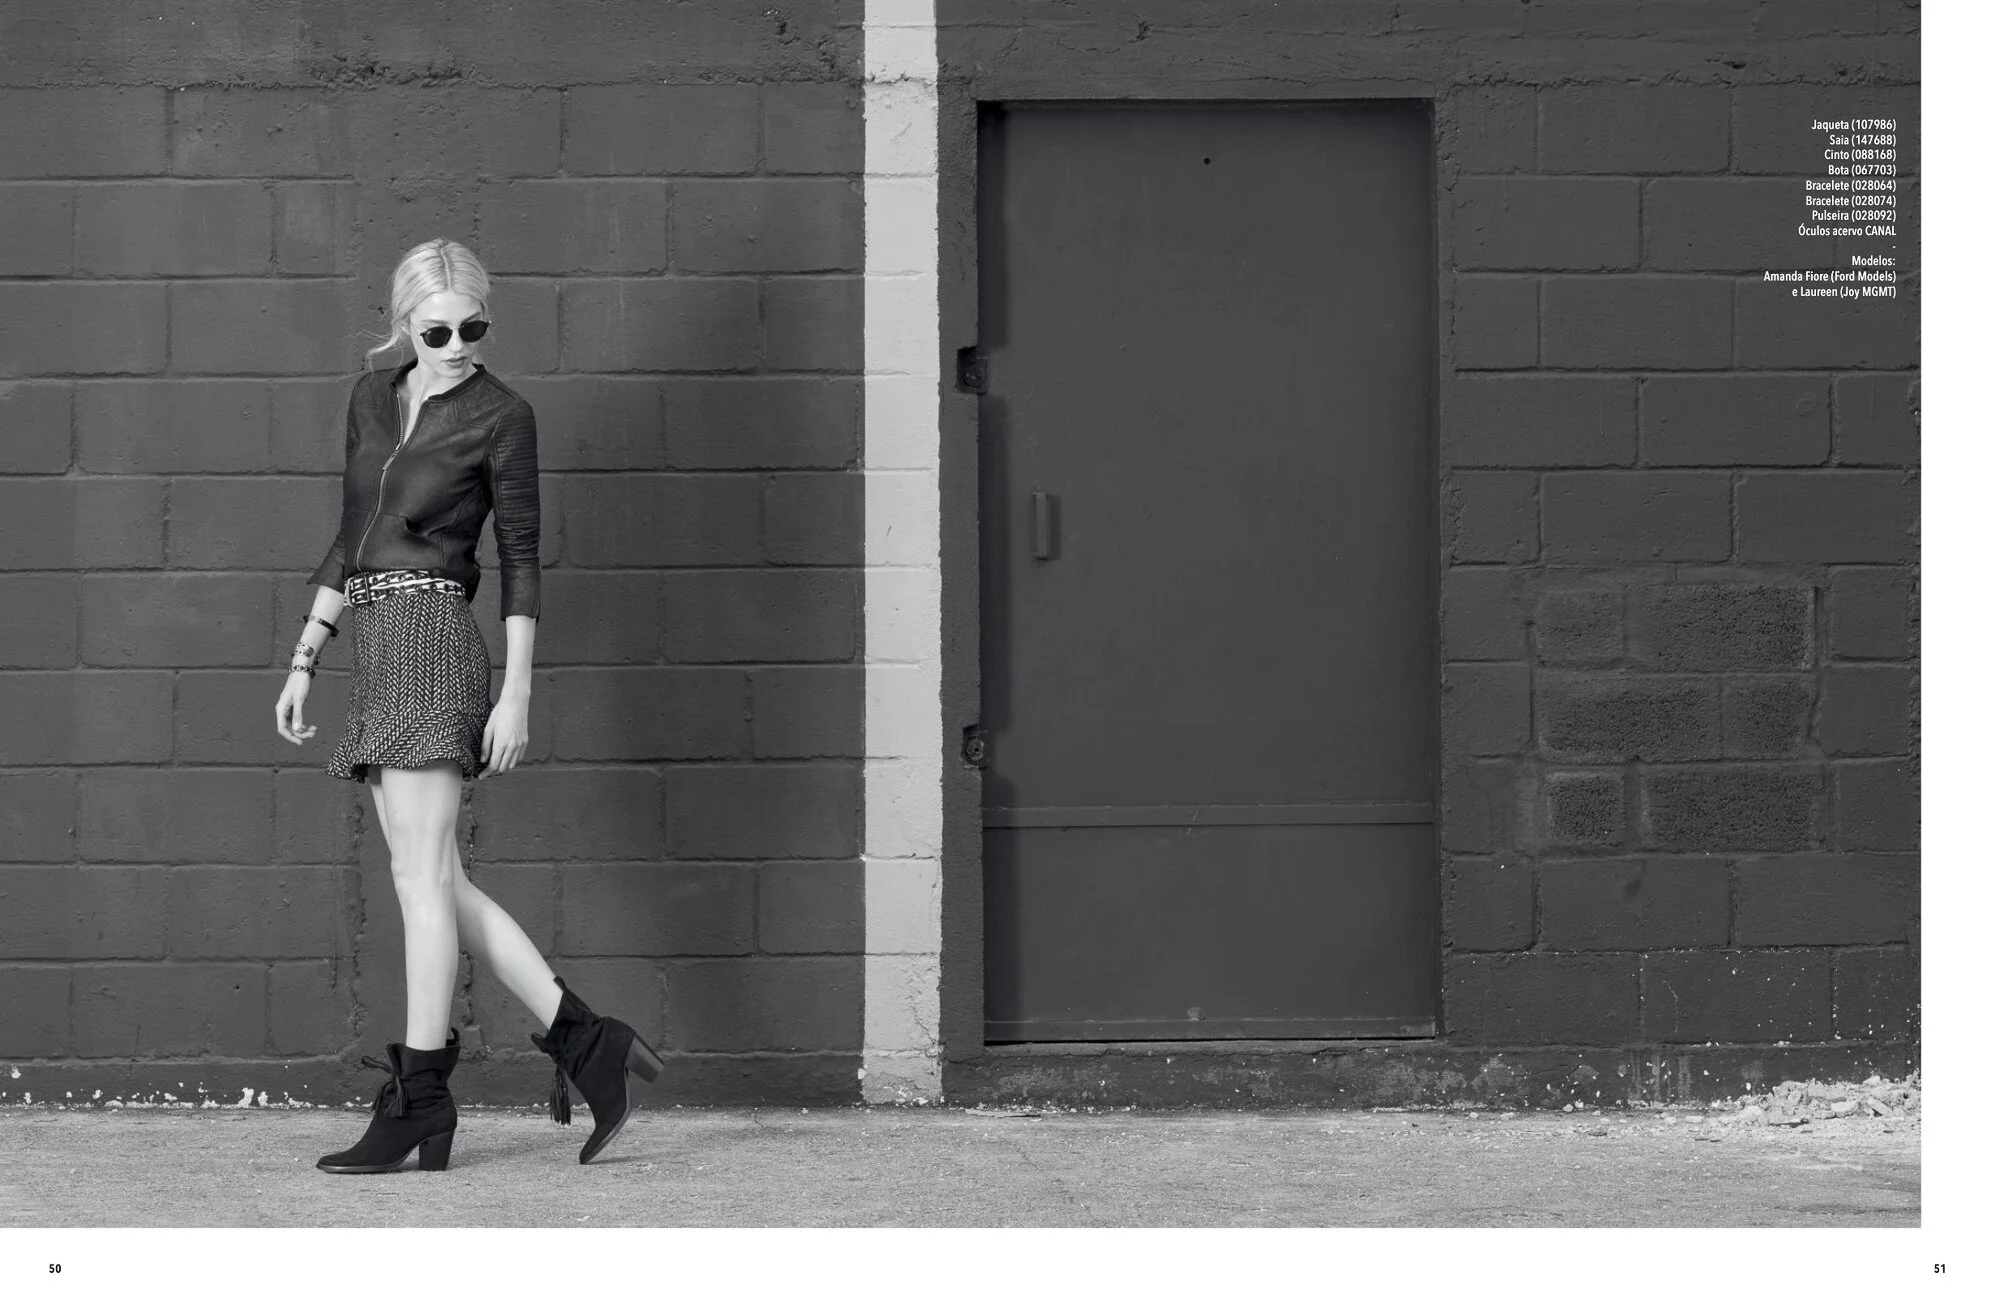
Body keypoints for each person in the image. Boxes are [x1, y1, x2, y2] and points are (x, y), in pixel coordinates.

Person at [274, 237, 661, 1174]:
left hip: (434, 640)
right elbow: (351, 535)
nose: (456, 346)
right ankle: (587, 1040)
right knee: (436, 880)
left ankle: (421, 1097)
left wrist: (516, 690)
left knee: (419, 884)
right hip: (376, 643)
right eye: (437, 330)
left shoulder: (501, 415)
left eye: (472, 328)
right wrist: (305, 655)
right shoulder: (370, 400)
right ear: (403, 324)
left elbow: (522, 558)